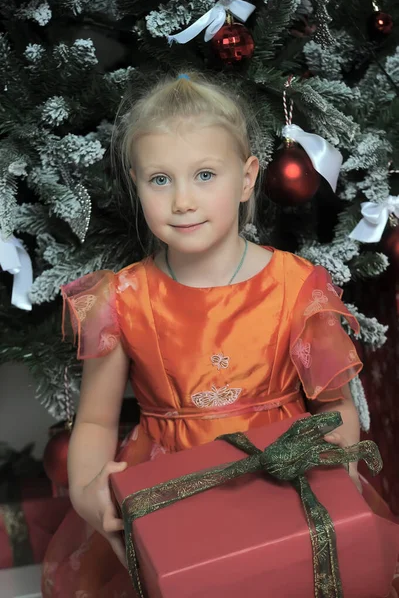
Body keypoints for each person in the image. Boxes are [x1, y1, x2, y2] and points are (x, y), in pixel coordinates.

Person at [41, 72, 399, 597]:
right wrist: (86, 493)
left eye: (205, 174)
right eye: (160, 180)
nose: (183, 200)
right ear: (136, 184)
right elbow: (94, 419)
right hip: (170, 493)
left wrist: (333, 468)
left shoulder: (296, 286)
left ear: (248, 178)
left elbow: (336, 408)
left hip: (283, 481)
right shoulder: (123, 298)